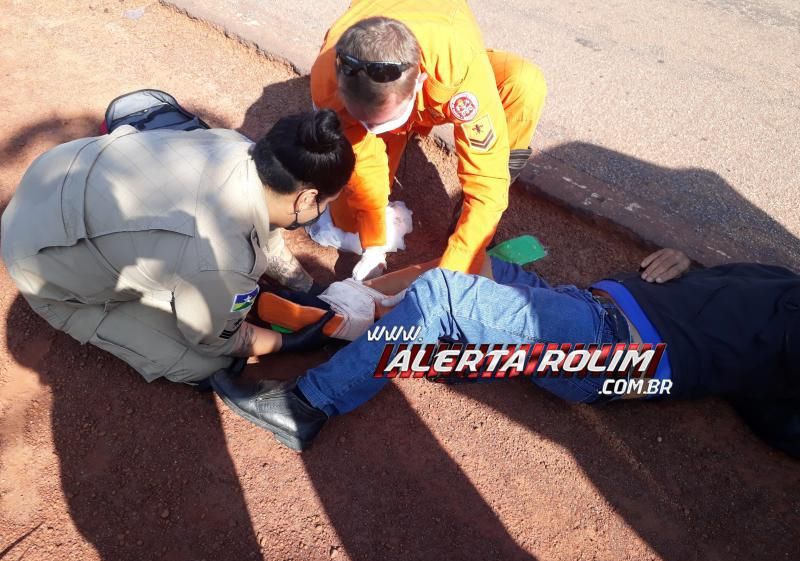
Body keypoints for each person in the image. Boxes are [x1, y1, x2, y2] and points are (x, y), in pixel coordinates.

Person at [210, 248, 800, 455]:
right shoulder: (780, 276)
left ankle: (307, 405)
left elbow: (780, 419)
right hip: (587, 305)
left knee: (442, 294)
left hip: (615, 350)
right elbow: (726, 300)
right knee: (477, 261)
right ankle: (334, 314)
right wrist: (689, 263)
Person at [1, 110, 353, 385]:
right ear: (306, 198)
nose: (324, 210)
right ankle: (84, 310)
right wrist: (290, 343)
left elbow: (267, 226)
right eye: (327, 203)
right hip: (41, 263)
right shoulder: (225, 259)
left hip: (56, 172)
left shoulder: (236, 147)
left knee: (198, 278)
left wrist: (306, 288)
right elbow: (215, 340)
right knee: (208, 364)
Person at [310, 0, 548, 279]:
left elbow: (486, 184)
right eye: (363, 122)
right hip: (391, 89)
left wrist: (454, 271)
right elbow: (363, 166)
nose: (372, 132)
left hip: (442, 59)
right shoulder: (328, 78)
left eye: (381, 123)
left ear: (420, 84)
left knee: (523, 84)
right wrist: (374, 244)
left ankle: (465, 226)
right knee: (349, 223)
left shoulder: (457, 72)